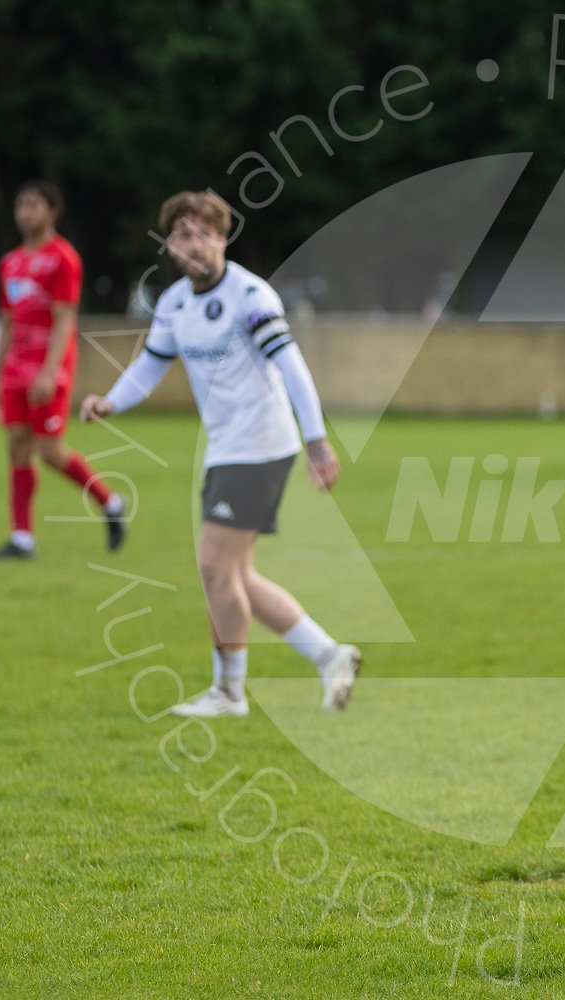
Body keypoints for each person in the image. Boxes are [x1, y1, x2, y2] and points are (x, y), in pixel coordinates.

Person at [80, 191, 360, 716]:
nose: (195, 244)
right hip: (225, 449)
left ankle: (230, 693)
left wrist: (316, 441)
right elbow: (150, 365)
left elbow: (293, 368)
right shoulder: (174, 303)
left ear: (223, 239)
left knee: (213, 563)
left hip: (260, 446)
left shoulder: (251, 296)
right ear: (170, 244)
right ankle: (329, 655)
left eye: (205, 233)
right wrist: (110, 401)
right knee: (235, 576)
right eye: (184, 235)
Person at [0, 181, 126, 559]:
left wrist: (49, 373)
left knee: (49, 451)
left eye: (33, 205)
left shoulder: (63, 258)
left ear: (51, 212)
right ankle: (22, 538)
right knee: (16, 446)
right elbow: (7, 323)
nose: (24, 213)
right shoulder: (10, 263)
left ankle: (110, 502)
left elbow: (65, 318)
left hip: (47, 366)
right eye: (20, 205)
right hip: (16, 368)